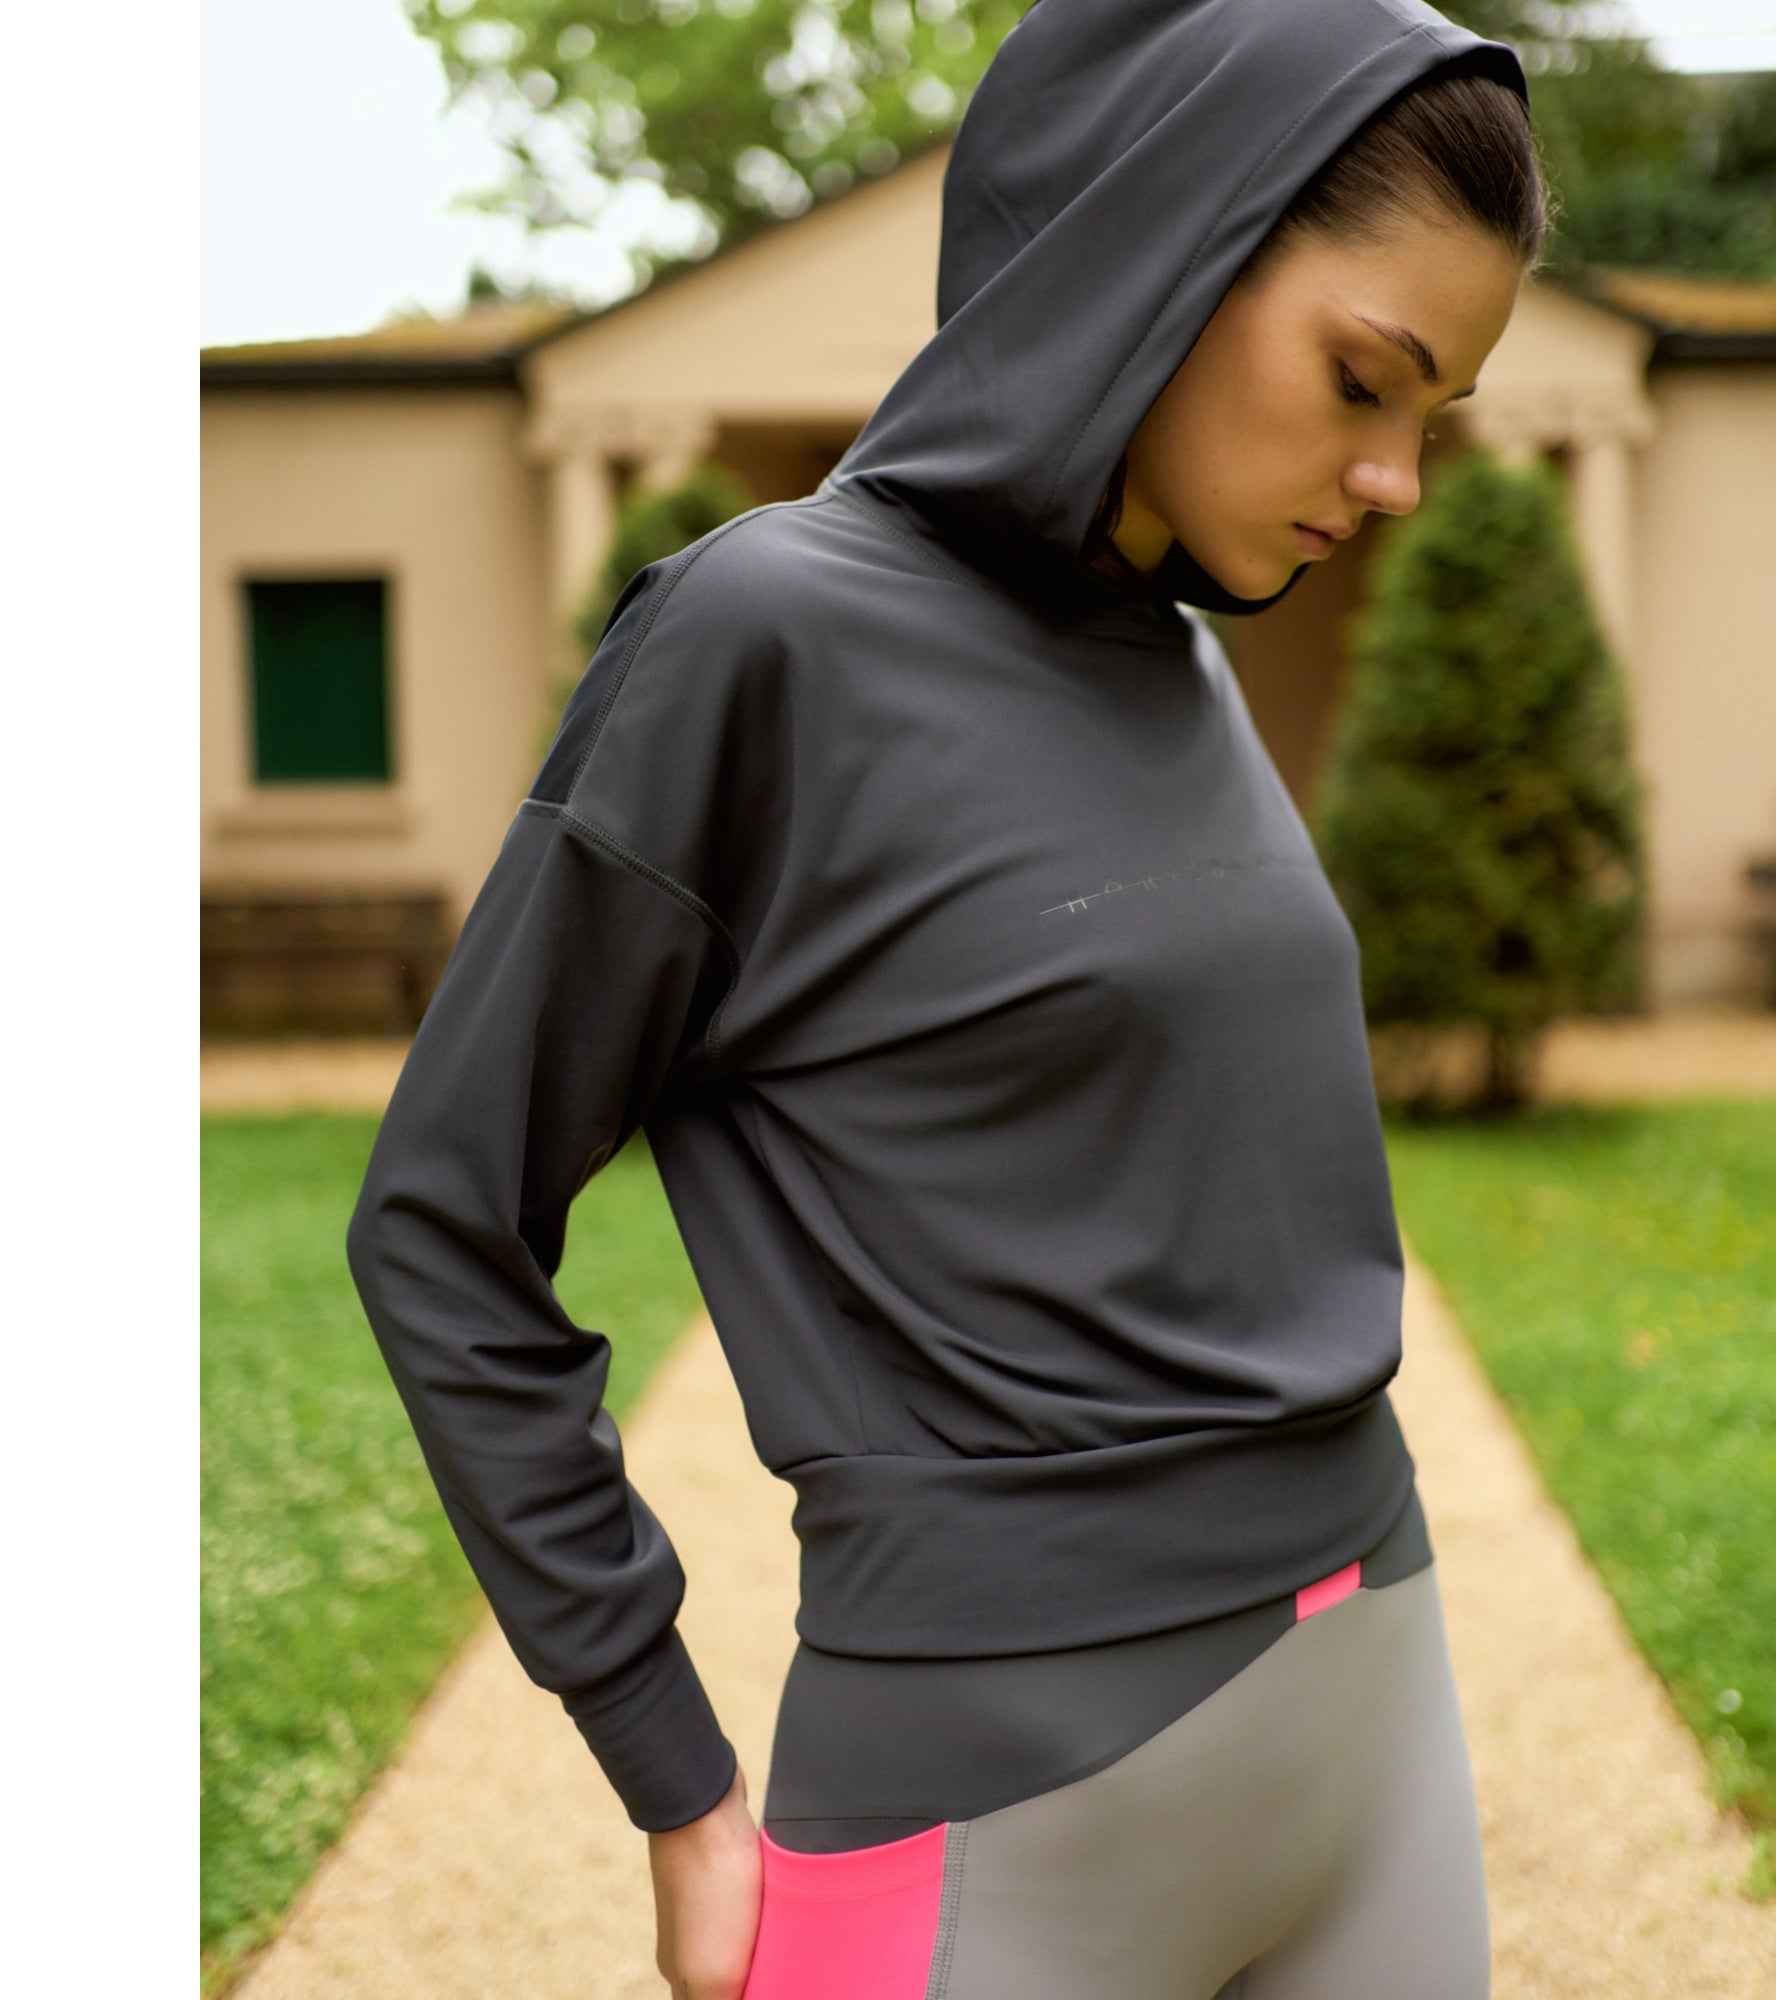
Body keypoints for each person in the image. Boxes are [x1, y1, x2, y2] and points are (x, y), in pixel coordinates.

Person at [344, 0, 1547, 1994]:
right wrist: (669, 1770)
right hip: (1000, 1787)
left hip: (1374, 1722)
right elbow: (441, 1222)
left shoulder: (1189, 664)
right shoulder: (764, 636)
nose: (1395, 476)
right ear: (1162, 248)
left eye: (1437, 420)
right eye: (1364, 380)